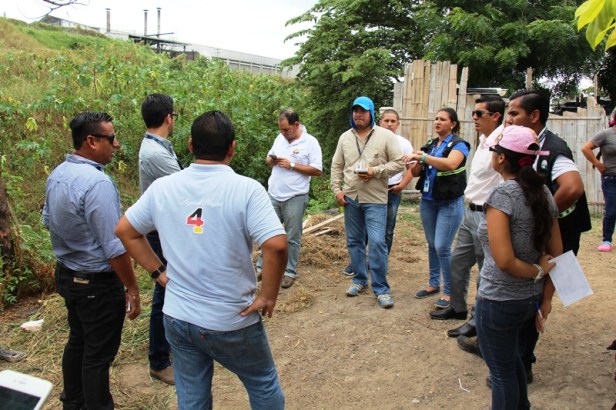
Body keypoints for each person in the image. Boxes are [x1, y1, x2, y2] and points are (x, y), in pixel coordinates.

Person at [115, 110, 287, 410]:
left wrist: (158, 272)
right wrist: (268, 295)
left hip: (179, 317)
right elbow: (276, 245)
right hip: (232, 319)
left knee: (192, 396)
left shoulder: (163, 188)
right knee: (262, 383)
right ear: (232, 148)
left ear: (191, 145)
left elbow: (125, 231)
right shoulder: (247, 190)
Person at [43, 112, 141, 410]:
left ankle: (72, 402)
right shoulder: (98, 184)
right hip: (96, 283)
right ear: (91, 141)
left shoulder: (58, 174)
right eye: (111, 138)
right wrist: (132, 288)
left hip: (68, 276)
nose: (116, 144)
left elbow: (48, 222)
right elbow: (115, 247)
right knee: (97, 355)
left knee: (78, 342)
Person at [504, 88, 592, 382]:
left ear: (535, 115)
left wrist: (541, 215)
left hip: (559, 235)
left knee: (539, 295)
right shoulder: (524, 145)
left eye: (514, 113)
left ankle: (523, 362)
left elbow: (573, 187)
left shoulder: (553, 148)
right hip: (543, 235)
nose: (509, 119)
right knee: (532, 291)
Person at [476, 125, 562, 409]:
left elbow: (505, 261)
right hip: (529, 301)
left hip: (498, 300)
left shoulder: (502, 196)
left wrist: (538, 271)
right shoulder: (544, 193)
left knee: (501, 374)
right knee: (511, 360)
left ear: (501, 158)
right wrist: (545, 297)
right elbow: (556, 253)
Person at [429, 96, 505, 346]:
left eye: (479, 113)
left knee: (486, 270)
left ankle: (478, 320)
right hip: (469, 211)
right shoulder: (484, 140)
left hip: (488, 214)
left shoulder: (502, 141)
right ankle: (458, 307)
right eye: (473, 113)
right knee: (458, 262)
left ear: (495, 116)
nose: (474, 117)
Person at [331, 96, 404, 309]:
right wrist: (337, 190)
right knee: (354, 242)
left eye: (363, 111)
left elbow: (399, 163)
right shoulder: (345, 137)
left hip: (376, 199)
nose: (358, 115)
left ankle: (381, 288)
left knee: (377, 242)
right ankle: (360, 280)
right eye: (355, 111)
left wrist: (376, 171)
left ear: (372, 113)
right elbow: (336, 166)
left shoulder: (385, 136)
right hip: (351, 198)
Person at [404, 108, 470, 309]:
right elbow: (416, 172)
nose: (437, 122)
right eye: (436, 118)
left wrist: (423, 158)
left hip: (449, 203)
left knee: (442, 245)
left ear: (453, 124)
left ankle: (450, 291)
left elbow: (451, 164)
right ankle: (434, 284)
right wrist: (413, 161)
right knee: (432, 244)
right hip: (428, 201)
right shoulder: (431, 145)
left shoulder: (460, 145)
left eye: (442, 119)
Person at [138, 93, 181, 385]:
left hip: (162, 230)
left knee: (168, 291)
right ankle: (159, 361)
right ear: (169, 117)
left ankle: (167, 349)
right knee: (163, 294)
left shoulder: (158, 147)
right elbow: (183, 187)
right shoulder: (155, 154)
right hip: (159, 233)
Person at [342, 108, 414, 276]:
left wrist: (402, 185)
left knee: (386, 231)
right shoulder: (368, 139)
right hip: (369, 191)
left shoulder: (404, 143)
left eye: (393, 121)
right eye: (386, 121)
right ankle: (358, 263)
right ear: (379, 121)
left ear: (398, 124)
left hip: (392, 190)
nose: (389, 124)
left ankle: (381, 263)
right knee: (363, 231)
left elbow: (410, 168)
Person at [256, 108, 322, 289]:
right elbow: (268, 158)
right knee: (267, 232)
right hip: (274, 194)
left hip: (295, 196)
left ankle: (289, 271)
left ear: (296, 125)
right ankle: (262, 267)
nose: (283, 133)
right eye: (281, 129)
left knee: (292, 236)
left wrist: (292, 165)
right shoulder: (280, 138)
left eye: (286, 129)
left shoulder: (310, 142)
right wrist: (270, 160)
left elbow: (317, 170)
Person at [581, 111, 616, 252]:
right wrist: (598, 164)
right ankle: (607, 240)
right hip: (611, 179)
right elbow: (586, 148)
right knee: (612, 211)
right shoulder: (606, 134)